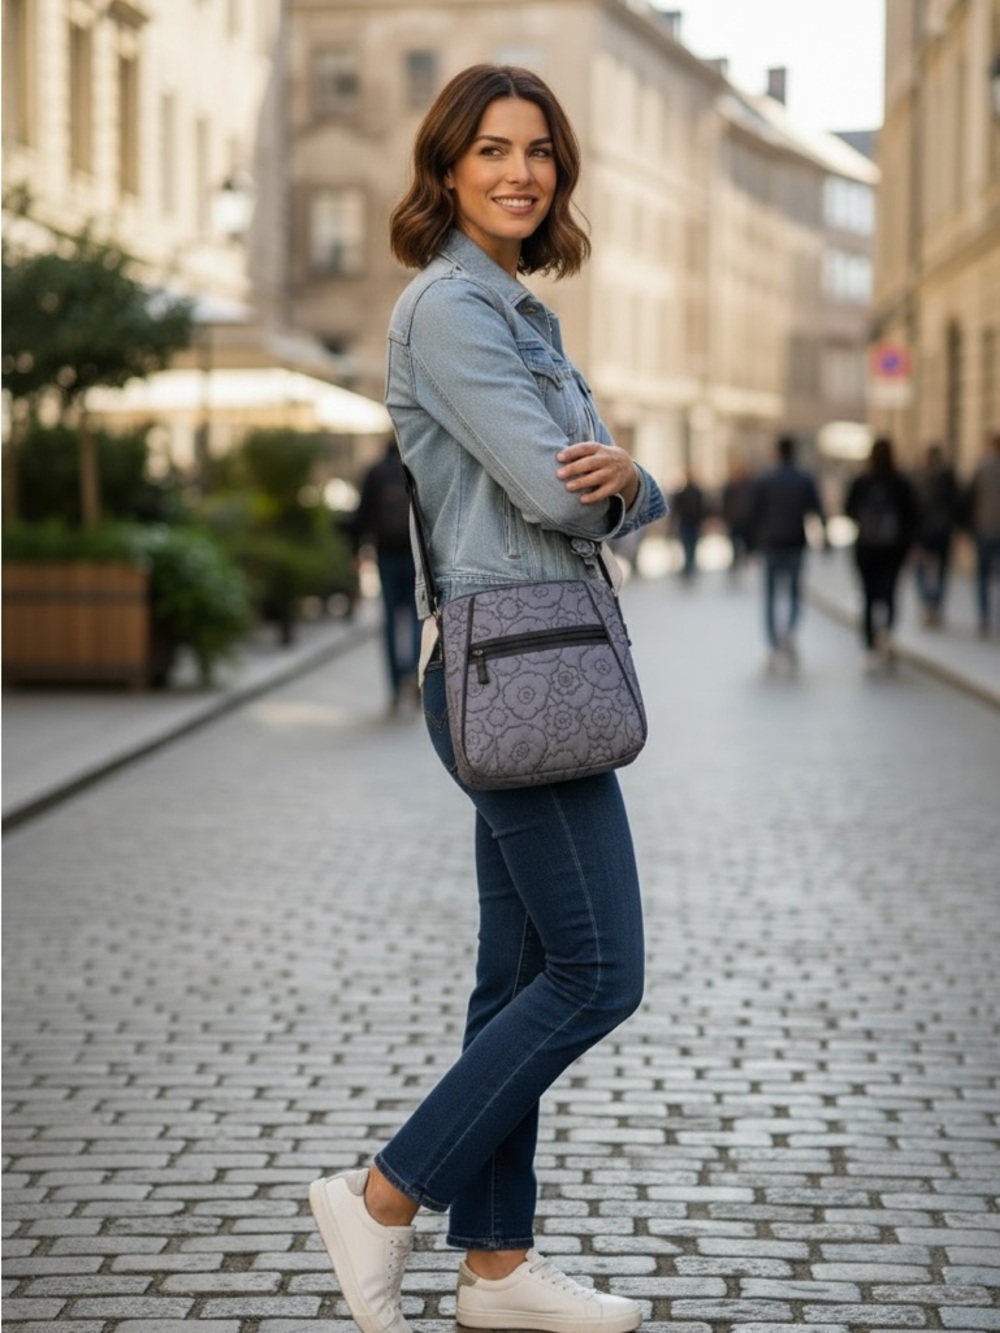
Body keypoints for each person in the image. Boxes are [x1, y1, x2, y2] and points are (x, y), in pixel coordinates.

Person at [307, 64, 666, 1333]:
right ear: (447, 167)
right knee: (599, 969)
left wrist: (629, 480)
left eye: (540, 151)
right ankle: (387, 1192)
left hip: (534, 659)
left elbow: (616, 478)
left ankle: (496, 1270)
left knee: (514, 972)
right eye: (492, 149)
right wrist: (621, 484)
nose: (520, 170)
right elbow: (570, 493)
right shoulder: (450, 312)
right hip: (513, 665)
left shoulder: (520, 312)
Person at [355, 438, 421, 710]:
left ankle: (394, 687)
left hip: (386, 555)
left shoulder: (375, 472)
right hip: (416, 556)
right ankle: (416, 676)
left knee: (391, 622)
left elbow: (362, 517)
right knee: (420, 618)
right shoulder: (415, 466)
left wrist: (356, 553)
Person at [750, 434, 826, 669]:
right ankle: (789, 632)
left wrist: (750, 545)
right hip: (795, 543)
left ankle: (773, 645)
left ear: (777, 452)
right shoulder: (804, 479)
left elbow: (754, 514)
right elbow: (816, 511)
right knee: (794, 593)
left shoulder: (766, 479)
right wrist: (826, 539)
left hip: (771, 544)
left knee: (771, 597)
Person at [844, 435, 916, 670]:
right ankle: (885, 635)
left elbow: (849, 510)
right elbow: (912, 516)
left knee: (868, 597)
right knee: (890, 594)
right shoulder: (900, 482)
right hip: (893, 550)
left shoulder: (863, 481)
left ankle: (869, 645)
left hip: (867, 549)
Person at [910, 442, 959, 627]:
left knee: (921, 569)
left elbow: (912, 506)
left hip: (923, 532)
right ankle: (935, 604)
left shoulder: (918, 476)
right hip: (943, 531)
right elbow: (956, 503)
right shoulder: (948, 476)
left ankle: (927, 603)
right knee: (941, 571)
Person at [966, 432, 1000, 637]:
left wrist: (968, 525)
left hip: (984, 529)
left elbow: (969, 498)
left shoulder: (981, 468)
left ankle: (984, 619)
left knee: (982, 577)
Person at [721, 456, 756, 580]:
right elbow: (725, 503)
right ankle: (736, 566)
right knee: (734, 546)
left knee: (746, 546)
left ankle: (743, 563)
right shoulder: (730, 487)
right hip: (734, 521)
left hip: (746, 521)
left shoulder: (750, 486)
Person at [670, 469, 705, 579]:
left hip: (694, 522)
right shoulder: (682, 493)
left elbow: (701, 507)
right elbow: (676, 507)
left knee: (693, 544)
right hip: (685, 522)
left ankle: (691, 564)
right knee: (686, 544)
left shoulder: (696, 492)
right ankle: (688, 564)